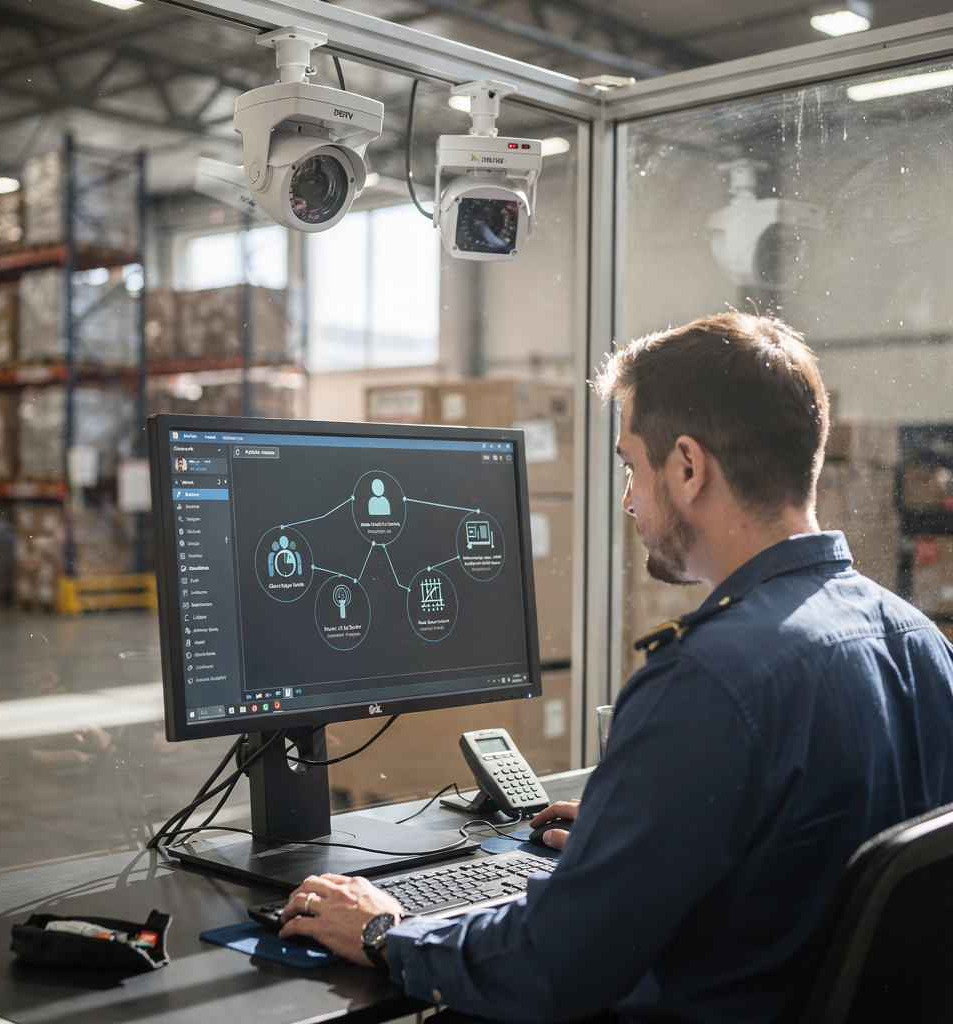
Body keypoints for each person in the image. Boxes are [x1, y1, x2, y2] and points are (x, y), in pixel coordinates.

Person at [278, 313, 953, 1023]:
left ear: (688, 468)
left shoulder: (707, 682)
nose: (629, 498)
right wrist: (636, 832)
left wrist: (388, 931)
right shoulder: (919, 643)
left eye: (633, 465)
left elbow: (548, 966)